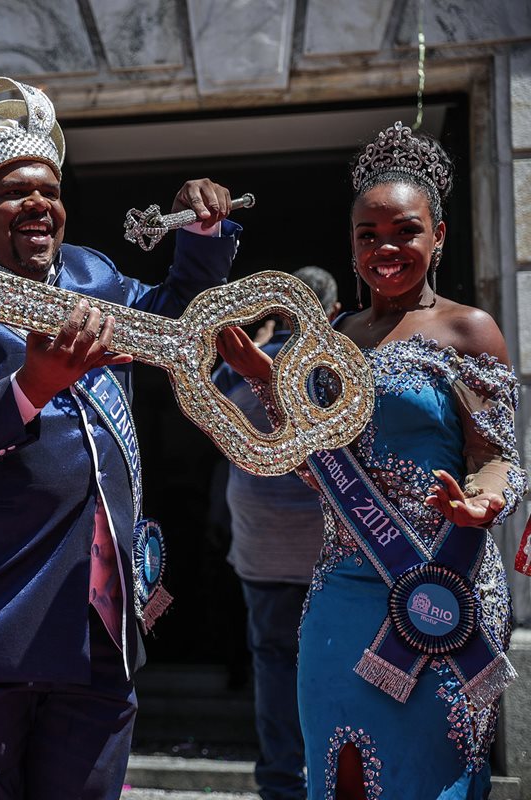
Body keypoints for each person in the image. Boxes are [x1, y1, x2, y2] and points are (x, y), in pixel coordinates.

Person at [0, 76, 241, 799]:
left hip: (96, 627)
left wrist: (200, 240)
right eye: (15, 192)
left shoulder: (91, 275)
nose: (41, 204)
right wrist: (28, 389)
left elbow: (174, 328)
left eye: (50, 189)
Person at [218, 122, 528, 798]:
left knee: (427, 775)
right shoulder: (332, 338)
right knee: (342, 773)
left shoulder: (467, 330)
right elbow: (312, 459)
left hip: (447, 581)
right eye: (368, 235)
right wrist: (266, 380)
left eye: (406, 232)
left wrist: (485, 501)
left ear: (438, 235)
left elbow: (497, 455)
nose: (386, 249)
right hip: (343, 585)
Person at [213, 266, 340, 800]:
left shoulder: (240, 367)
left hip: (260, 537)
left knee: (273, 661)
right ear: (330, 311)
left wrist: (259, 340)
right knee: (334, 658)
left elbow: (209, 401)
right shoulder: (331, 364)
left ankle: (281, 782)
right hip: (324, 540)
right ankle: (333, 776)